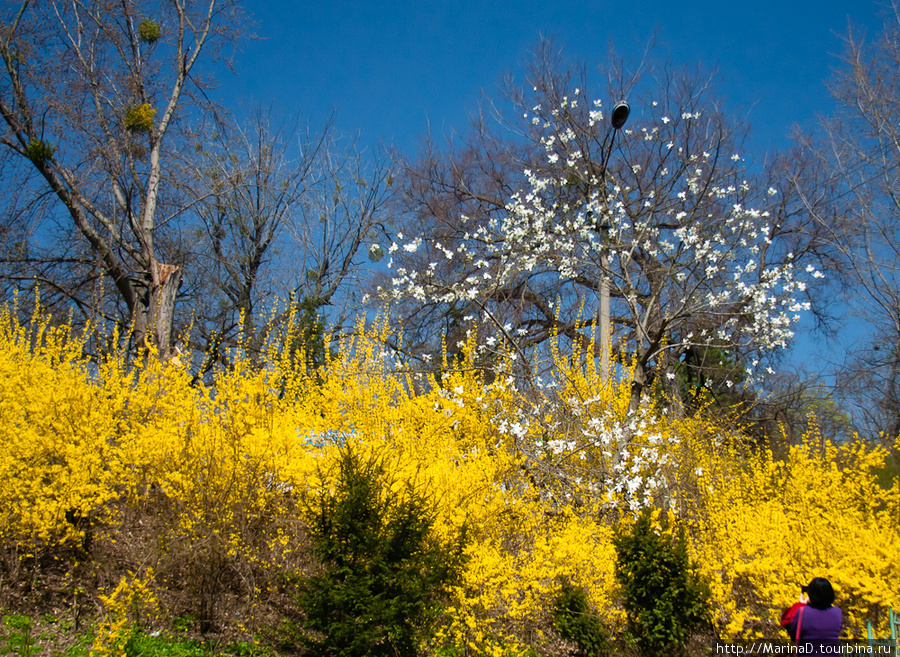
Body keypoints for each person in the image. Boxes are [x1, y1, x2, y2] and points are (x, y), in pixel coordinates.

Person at [784, 577, 842, 654]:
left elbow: (793, 632)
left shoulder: (803, 611)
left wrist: (800, 605)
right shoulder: (837, 612)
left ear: (810, 594)